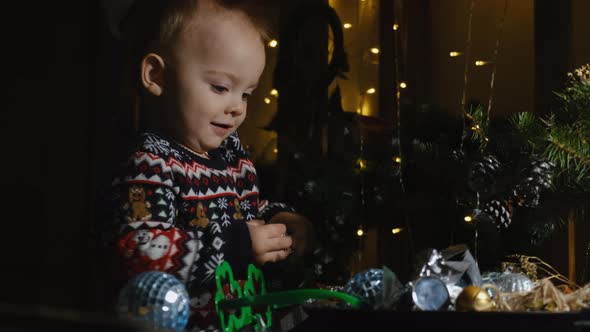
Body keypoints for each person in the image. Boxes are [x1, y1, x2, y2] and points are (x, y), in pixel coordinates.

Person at [97, 0, 314, 329]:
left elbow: (246, 210)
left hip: (237, 320)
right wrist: (235, 246)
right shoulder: (151, 163)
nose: (236, 108)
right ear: (157, 76)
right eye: (221, 88)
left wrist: (277, 218)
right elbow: (136, 251)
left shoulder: (232, 157)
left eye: (246, 94)